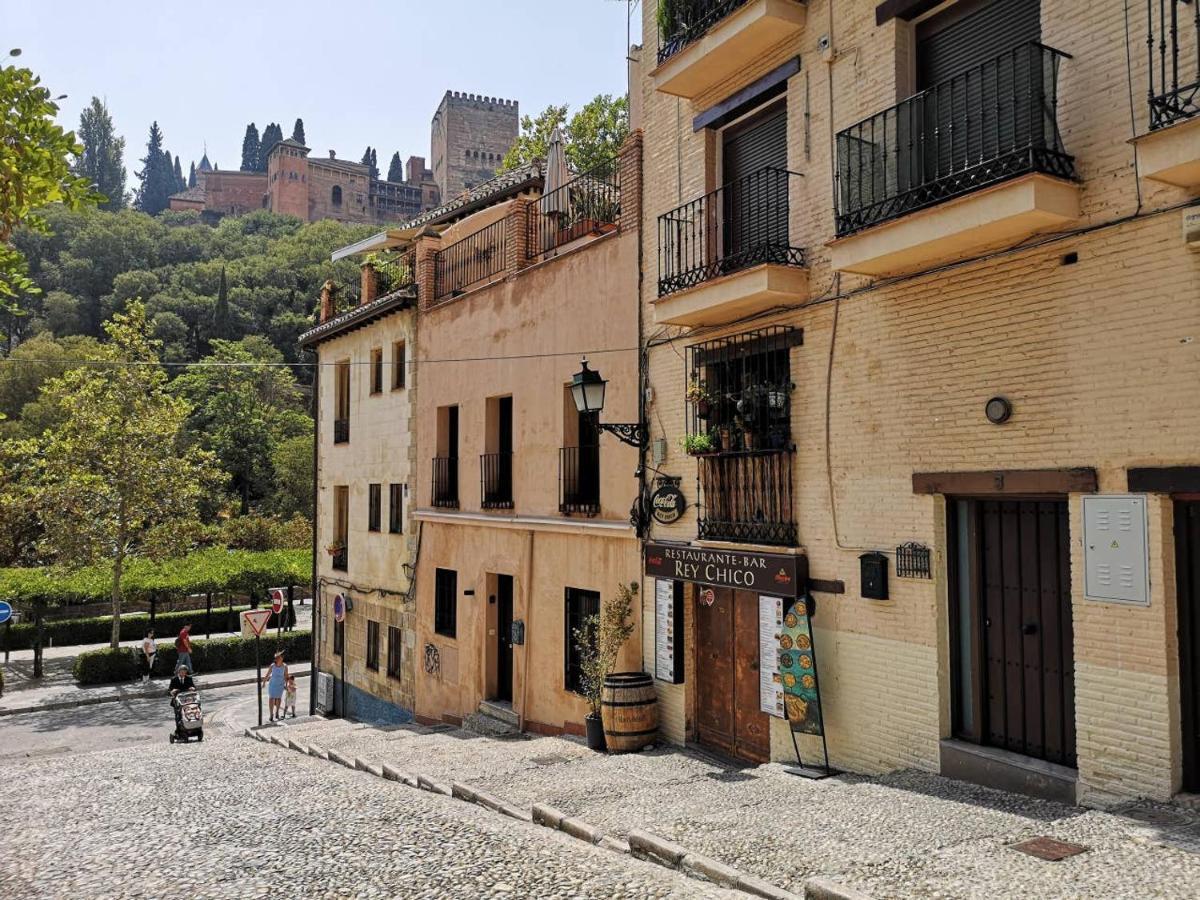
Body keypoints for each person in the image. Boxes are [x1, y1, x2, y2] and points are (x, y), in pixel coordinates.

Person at [167, 664, 196, 730]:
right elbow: (168, 691)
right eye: (182, 672)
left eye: (185, 672)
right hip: (177, 701)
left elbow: (194, 687)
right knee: (178, 716)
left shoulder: (189, 678)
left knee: (189, 714)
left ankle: (191, 728)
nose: (183, 673)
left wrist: (193, 688)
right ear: (178, 671)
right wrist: (172, 691)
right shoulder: (174, 679)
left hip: (187, 700)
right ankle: (179, 729)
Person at [263, 651, 288, 722]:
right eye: (276, 658)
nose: (277, 659)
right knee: (271, 698)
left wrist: (287, 685)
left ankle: (277, 712)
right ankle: (271, 714)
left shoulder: (285, 666)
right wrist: (264, 682)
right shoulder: (272, 666)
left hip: (280, 685)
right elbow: (267, 674)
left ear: (281, 658)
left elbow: (286, 676)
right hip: (272, 685)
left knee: (278, 698)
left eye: (278, 658)